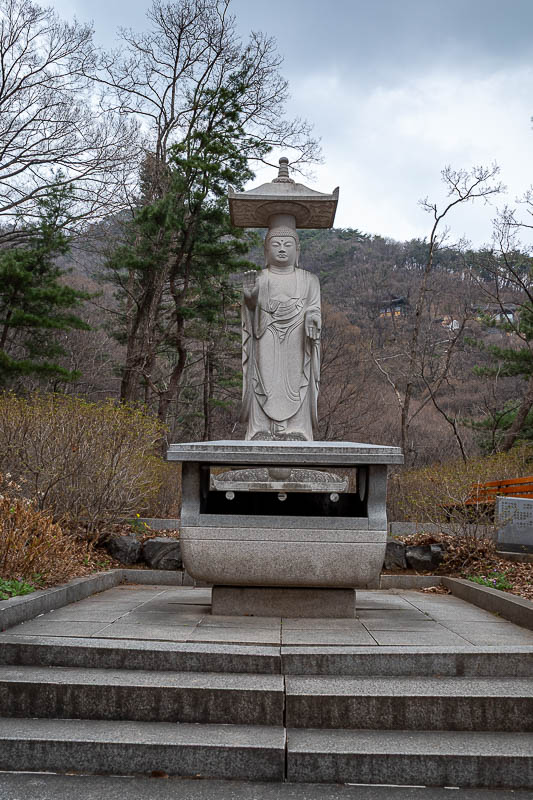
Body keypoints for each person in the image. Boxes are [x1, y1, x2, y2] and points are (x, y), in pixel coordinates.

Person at [240, 225, 321, 440]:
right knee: (264, 379)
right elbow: (250, 313)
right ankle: (260, 429)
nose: (282, 249)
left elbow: (314, 309)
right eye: (275, 244)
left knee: (297, 381)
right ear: (266, 250)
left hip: (298, 339)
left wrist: (313, 318)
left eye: (288, 244)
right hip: (265, 334)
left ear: (298, 250)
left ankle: (298, 429)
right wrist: (250, 300)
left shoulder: (310, 280)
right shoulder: (261, 277)